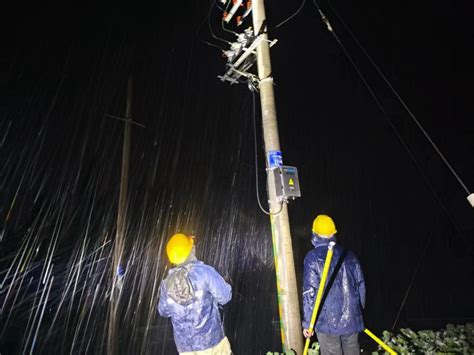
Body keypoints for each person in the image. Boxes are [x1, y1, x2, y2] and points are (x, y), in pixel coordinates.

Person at [158, 233, 232, 355]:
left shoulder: (166, 283)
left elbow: (163, 311)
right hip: (212, 343)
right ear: (191, 250)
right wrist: (225, 283)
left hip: (185, 349)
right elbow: (225, 297)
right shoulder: (205, 272)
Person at [302, 215, 366, 355]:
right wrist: (357, 313)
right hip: (352, 320)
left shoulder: (312, 258)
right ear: (333, 233)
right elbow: (361, 285)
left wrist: (308, 323)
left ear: (314, 233)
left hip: (326, 323)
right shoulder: (349, 255)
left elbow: (309, 293)